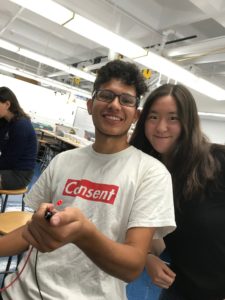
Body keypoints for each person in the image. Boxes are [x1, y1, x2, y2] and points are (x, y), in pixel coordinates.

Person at [0, 60, 176, 300]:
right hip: (21, 292)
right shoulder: (63, 161)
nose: (115, 104)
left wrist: (84, 234)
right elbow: (31, 230)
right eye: (106, 95)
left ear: (136, 115)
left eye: (125, 99)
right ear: (91, 105)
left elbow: (132, 266)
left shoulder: (151, 173)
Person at [130, 83, 225, 300]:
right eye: (153, 117)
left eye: (173, 118)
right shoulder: (150, 172)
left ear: (187, 122)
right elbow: (154, 231)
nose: (161, 127)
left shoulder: (219, 161)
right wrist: (147, 257)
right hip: (180, 288)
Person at [0, 87, 37, 190]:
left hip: (19, 175)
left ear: (7, 104)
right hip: (8, 168)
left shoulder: (21, 125)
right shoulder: (4, 122)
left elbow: (10, 160)